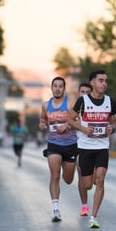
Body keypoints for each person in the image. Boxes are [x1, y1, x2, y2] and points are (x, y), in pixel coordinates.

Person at [69, 70, 116, 228]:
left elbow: (113, 123)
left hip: (102, 146)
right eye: (101, 80)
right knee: (88, 184)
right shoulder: (82, 101)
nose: (104, 83)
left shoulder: (110, 101)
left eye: (106, 81)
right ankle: (87, 193)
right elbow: (71, 120)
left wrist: (111, 128)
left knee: (101, 179)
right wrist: (83, 129)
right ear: (93, 83)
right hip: (85, 147)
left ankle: (93, 217)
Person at [38, 77, 77, 222]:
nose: (57, 89)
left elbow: (78, 120)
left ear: (64, 89)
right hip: (53, 144)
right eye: (55, 86)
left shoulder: (70, 103)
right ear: (51, 88)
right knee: (54, 176)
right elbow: (43, 119)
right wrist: (42, 124)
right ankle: (56, 210)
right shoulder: (45, 105)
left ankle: (68, 174)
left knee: (67, 179)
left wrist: (67, 125)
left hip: (70, 144)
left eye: (60, 86)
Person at [76, 83, 93, 217]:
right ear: (78, 93)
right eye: (82, 91)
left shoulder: (96, 109)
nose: (85, 94)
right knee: (81, 175)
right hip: (79, 147)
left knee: (92, 180)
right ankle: (84, 206)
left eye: (88, 92)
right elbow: (67, 122)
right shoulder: (75, 111)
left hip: (96, 147)